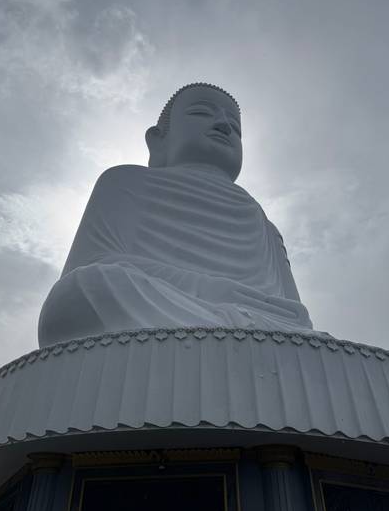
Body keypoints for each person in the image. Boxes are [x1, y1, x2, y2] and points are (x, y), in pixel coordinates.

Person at [38, 83, 312, 348]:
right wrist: (213, 291)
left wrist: (253, 310)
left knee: (300, 330)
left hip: (264, 322)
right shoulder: (124, 181)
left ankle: (234, 336)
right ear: (159, 139)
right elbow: (91, 263)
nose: (224, 125)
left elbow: (295, 313)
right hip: (162, 304)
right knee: (82, 289)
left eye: (236, 127)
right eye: (201, 113)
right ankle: (239, 338)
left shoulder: (266, 225)